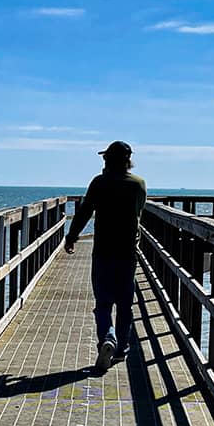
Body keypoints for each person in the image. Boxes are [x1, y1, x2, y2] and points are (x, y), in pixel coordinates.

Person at [64, 141, 147, 371]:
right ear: (128, 161)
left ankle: (107, 339)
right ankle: (120, 350)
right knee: (124, 305)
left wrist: (71, 236)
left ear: (107, 160)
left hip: (102, 252)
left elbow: (84, 212)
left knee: (103, 304)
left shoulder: (99, 183)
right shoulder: (138, 185)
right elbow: (138, 213)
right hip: (128, 253)